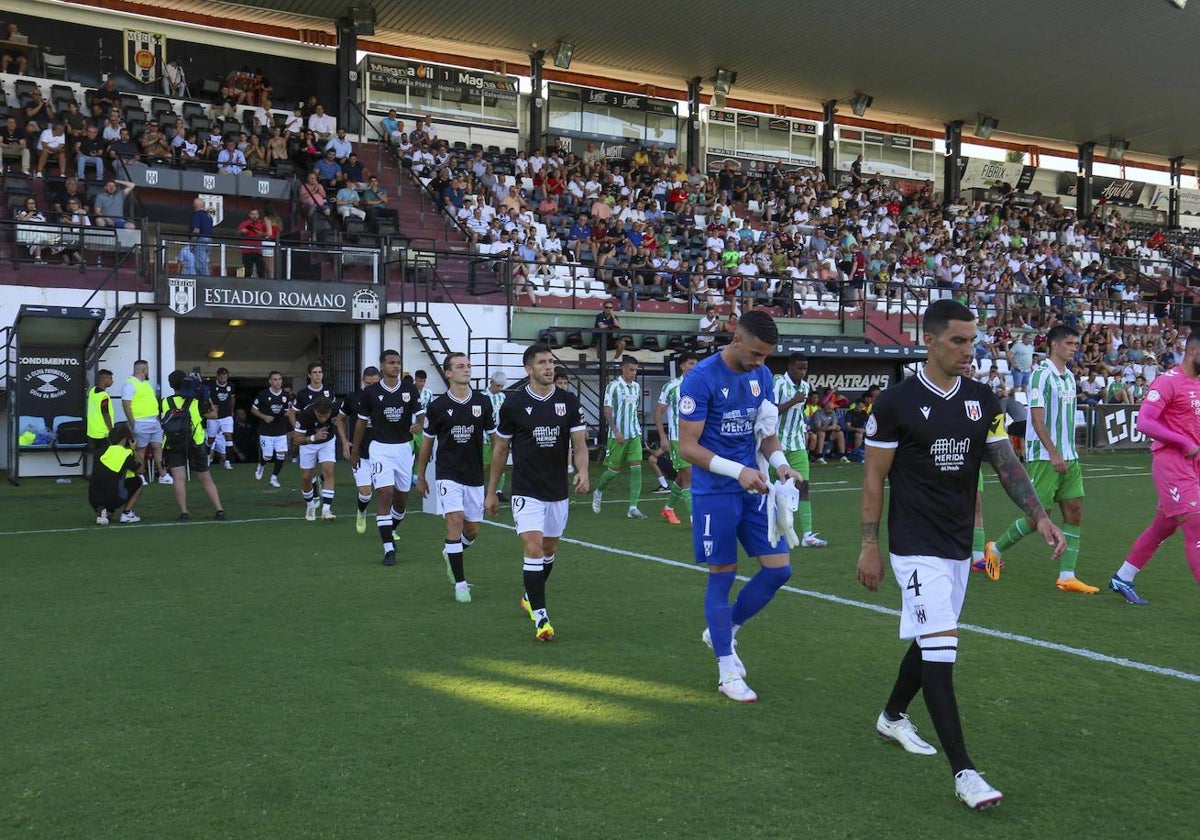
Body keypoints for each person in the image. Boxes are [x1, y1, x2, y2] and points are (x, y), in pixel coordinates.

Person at [856, 299, 1065, 811]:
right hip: (913, 546)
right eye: (958, 340)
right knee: (942, 647)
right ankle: (966, 773)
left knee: (932, 636)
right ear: (929, 340)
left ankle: (891, 716)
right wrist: (869, 545)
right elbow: (874, 477)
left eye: (973, 340)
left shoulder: (982, 399)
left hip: (956, 545)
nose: (968, 350)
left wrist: (1039, 515)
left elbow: (1006, 463)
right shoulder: (895, 404)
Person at [677, 309, 802, 702]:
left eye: (766, 356)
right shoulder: (699, 379)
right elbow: (688, 448)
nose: (760, 363)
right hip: (715, 492)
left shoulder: (761, 376)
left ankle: (724, 629)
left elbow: (766, 435)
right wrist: (737, 471)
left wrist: (781, 467)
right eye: (756, 354)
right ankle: (726, 669)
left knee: (779, 570)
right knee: (723, 575)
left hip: (754, 489)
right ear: (736, 339)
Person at [485, 343, 590, 641]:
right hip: (526, 489)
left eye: (551, 362)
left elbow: (580, 445)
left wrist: (582, 471)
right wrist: (492, 492)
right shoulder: (513, 405)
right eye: (542, 362)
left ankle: (530, 596)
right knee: (532, 547)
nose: (549, 367)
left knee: (549, 550)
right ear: (528, 369)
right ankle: (541, 617)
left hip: (557, 489)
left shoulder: (568, 401)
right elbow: (500, 449)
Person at [984, 325, 1097, 593]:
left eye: (1075, 343)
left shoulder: (1069, 377)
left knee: (1075, 511)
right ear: (1054, 345)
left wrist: (1067, 452)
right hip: (1045, 457)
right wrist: (1054, 452)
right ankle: (995, 549)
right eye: (1069, 343)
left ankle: (1067, 575)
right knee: (1039, 517)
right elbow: (1036, 418)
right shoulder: (1040, 375)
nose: (1074, 347)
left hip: (1070, 457)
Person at [1109, 331, 1200, 605]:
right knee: (1196, 524)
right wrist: (1183, 442)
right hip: (1172, 463)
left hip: (1194, 463)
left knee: (1164, 526)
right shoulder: (1168, 381)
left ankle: (1123, 577)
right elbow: (1145, 422)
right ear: (1193, 351)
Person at [415, 353, 496, 603]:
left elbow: (495, 439)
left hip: (474, 474)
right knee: (455, 519)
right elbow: (427, 444)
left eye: (469, 366)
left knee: (472, 530)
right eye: (460, 366)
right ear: (448, 373)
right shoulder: (438, 406)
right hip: (447, 473)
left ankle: (451, 552)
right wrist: (421, 476)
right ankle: (461, 584)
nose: (467, 369)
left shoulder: (483, 402)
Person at [352, 350, 424, 566]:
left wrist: (420, 425)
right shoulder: (371, 393)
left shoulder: (409, 389)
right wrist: (355, 451)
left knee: (401, 501)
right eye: (392, 363)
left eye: (399, 362)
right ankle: (388, 549)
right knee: (385, 493)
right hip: (380, 448)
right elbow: (361, 423)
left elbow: (421, 415)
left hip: (403, 449)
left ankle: (389, 529)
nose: (396, 366)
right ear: (382, 366)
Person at [772, 353, 827, 546]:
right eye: (799, 367)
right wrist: (793, 401)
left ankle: (807, 535)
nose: (802, 371)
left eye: (805, 368)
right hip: (775, 444)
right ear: (789, 366)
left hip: (796, 444)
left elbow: (798, 414)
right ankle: (772, 529)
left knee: (803, 486)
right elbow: (772, 411)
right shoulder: (777, 383)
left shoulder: (805, 386)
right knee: (771, 488)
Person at [160, 369, 226, 521]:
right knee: (205, 477)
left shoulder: (165, 401)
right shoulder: (196, 401)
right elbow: (214, 414)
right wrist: (204, 394)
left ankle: (184, 512)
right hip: (195, 442)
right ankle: (219, 509)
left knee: (178, 478)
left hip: (173, 443)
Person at [592, 356, 647, 519]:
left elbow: (634, 409)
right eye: (631, 369)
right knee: (614, 471)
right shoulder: (613, 387)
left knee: (636, 468)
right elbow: (607, 411)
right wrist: (615, 431)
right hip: (617, 436)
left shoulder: (636, 387)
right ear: (622, 368)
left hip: (634, 434)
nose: (634, 373)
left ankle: (633, 507)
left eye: (636, 370)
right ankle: (598, 491)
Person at [655, 351, 698, 525]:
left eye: (696, 364)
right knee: (688, 476)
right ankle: (696, 520)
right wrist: (663, 437)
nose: (694, 367)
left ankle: (668, 508)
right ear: (682, 366)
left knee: (683, 476)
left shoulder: (701, 385)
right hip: (677, 439)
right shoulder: (672, 386)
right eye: (690, 364)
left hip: (696, 438)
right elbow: (658, 413)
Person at [338, 366, 381, 535]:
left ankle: (390, 529)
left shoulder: (385, 397)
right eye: (368, 383)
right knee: (366, 493)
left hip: (382, 453)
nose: (371, 386)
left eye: (374, 383)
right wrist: (344, 442)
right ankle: (362, 511)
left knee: (386, 493)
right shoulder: (353, 397)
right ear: (363, 380)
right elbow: (340, 420)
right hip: (360, 453)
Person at [121, 360, 169, 482]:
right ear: (144, 370)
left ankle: (163, 475)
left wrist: (157, 420)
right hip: (140, 422)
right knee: (140, 450)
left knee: (158, 448)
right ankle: (140, 475)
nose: (148, 371)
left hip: (154, 421)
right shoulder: (129, 384)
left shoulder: (146, 384)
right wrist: (133, 425)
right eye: (147, 369)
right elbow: (126, 405)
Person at [292, 396, 339, 521]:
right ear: (314, 410)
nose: (323, 419)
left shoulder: (335, 409)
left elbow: (343, 418)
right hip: (308, 444)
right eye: (320, 416)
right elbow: (296, 439)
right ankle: (310, 506)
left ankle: (326, 510)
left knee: (328, 471)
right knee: (306, 478)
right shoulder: (304, 415)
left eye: (326, 415)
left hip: (327, 442)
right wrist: (313, 437)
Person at [89, 425, 144, 525]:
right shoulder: (126, 453)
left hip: (94, 498)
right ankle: (127, 513)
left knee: (109, 515)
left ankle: (103, 511)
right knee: (138, 481)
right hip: (113, 496)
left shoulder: (99, 452)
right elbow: (141, 470)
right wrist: (134, 450)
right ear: (124, 439)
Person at [251, 371, 290, 487]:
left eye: (280, 379)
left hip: (281, 430)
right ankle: (261, 466)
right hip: (266, 430)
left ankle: (274, 478)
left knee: (281, 454)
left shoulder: (286, 396)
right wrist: (264, 417)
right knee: (267, 456)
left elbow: (288, 411)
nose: (278, 382)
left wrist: (288, 413)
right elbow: (253, 409)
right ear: (270, 381)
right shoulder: (262, 394)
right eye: (275, 379)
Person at [483, 371, 508, 501]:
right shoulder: (482, 397)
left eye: (502, 386)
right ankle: (479, 487)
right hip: (485, 437)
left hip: (500, 437)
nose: (500, 389)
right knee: (484, 464)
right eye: (498, 386)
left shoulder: (503, 397)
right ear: (491, 382)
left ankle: (498, 491)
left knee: (500, 463)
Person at [206, 367, 235, 470]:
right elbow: (207, 399)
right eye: (222, 376)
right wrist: (211, 407)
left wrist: (232, 411)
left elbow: (232, 398)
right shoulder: (211, 386)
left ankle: (228, 462)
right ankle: (208, 457)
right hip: (214, 416)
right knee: (211, 439)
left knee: (228, 436)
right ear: (218, 376)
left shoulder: (231, 386)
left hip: (226, 415)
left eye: (225, 376)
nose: (223, 378)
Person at [409, 369, 434, 490]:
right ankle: (406, 475)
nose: (422, 383)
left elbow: (430, 409)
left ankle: (415, 476)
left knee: (420, 452)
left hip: (422, 427)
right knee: (409, 453)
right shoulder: (409, 391)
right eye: (420, 380)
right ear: (415, 379)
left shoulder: (428, 393)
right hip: (409, 426)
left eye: (424, 381)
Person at [86, 369, 115, 460]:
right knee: (104, 459)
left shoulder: (92, 391)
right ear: (104, 379)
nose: (112, 381)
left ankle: (96, 474)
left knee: (96, 458)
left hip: (92, 432)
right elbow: (105, 414)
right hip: (103, 434)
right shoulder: (104, 396)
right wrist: (111, 430)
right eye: (110, 378)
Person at [238, 209, 267, 278]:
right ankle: (247, 287)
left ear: (258, 215)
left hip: (258, 251)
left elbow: (268, 234)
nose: (254, 216)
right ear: (249, 215)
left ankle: (263, 287)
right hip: (247, 251)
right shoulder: (245, 223)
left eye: (256, 214)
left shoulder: (262, 224)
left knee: (261, 272)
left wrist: (261, 233)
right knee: (248, 271)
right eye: (252, 214)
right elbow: (238, 233)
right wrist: (242, 231)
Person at [189, 198, 213, 276]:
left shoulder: (197, 214)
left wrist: (192, 243)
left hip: (201, 240)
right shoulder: (209, 216)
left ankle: (205, 281)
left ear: (195, 205)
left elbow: (196, 230)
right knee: (205, 261)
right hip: (209, 240)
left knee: (200, 264)